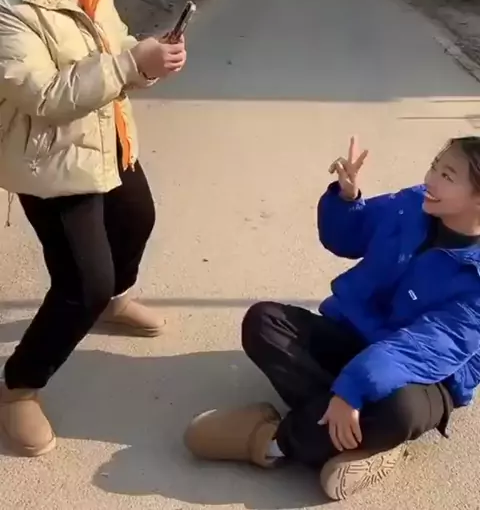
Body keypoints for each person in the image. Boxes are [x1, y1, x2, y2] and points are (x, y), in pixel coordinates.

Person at [0, 0, 187, 457]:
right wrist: (132, 66)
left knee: (137, 218)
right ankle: (19, 386)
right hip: (50, 160)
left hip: (109, 137)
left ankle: (114, 300)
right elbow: (42, 95)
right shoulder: (7, 1)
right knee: (83, 282)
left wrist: (150, 59)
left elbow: (117, 48)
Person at [184, 136, 480, 500]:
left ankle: (272, 441)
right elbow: (346, 237)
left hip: (426, 376)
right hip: (358, 334)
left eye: (447, 176)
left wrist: (352, 388)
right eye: (435, 166)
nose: (431, 179)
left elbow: (420, 349)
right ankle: (363, 438)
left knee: (399, 412)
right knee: (265, 322)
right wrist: (347, 199)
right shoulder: (412, 204)